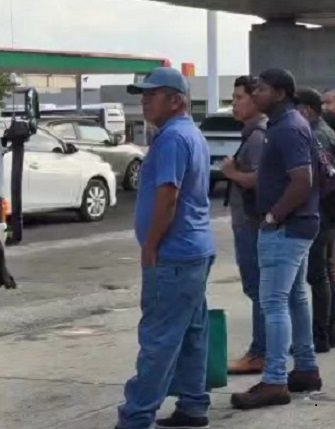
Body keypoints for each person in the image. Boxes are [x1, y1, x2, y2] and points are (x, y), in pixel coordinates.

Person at [118, 68, 215, 429]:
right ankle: (193, 404)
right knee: (191, 331)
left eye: (152, 94)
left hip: (174, 253)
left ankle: (136, 416)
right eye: (143, 94)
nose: (144, 101)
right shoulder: (190, 134)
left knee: (159, 338)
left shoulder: (173, 138)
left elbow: (168, 196)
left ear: (177, 100)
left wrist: (151, 244)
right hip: (194, 248)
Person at [230, 69, 321, 409]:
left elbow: (302, 180)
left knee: (273, 302)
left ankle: (275, 380)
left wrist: (273, 216)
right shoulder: (285, 124)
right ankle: (306, 368)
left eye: (262, 89)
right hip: (296, 225)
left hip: (286, 227)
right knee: (295, 298)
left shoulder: (288, 128)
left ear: (280, 93)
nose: (256, 94)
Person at [221, 75, 268, 376]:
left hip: (253, 225)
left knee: (259, 290)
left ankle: (260, 352)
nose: (235, 104)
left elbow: (261, 180)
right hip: (249, 223)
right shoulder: (252, 134)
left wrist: (232, 173)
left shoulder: (258, 136)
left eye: (240, 97)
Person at [295, 88, 335, 352]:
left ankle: (321, 334)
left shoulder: (315, 135)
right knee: (326, 271)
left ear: (307, 110)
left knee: (318, 274)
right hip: (329, 211)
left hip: (320, 211)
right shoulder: (326, 131)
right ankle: (328, 332)